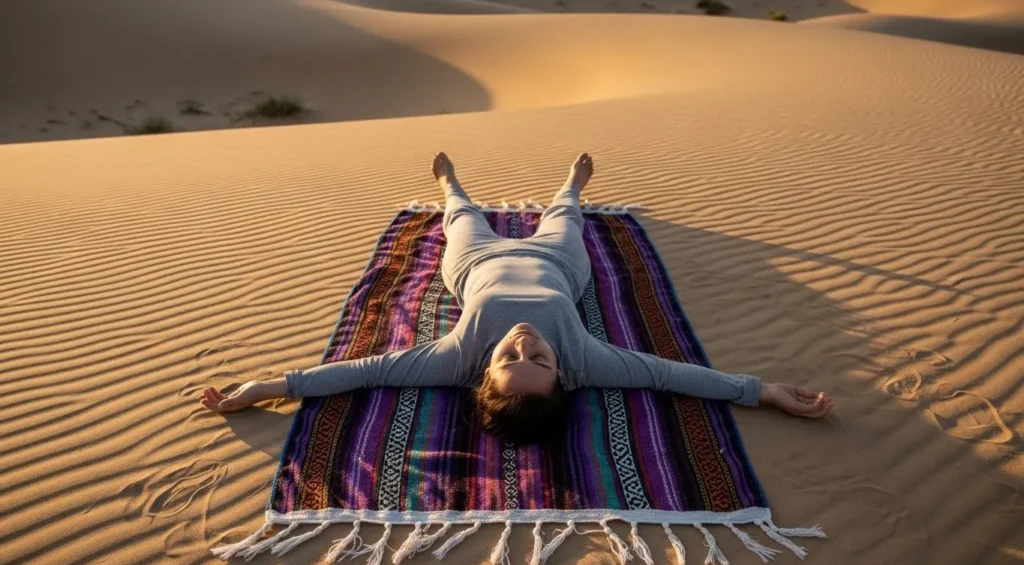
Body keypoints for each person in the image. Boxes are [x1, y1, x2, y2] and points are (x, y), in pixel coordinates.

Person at [201, 152, 833, 443]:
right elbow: (670, 376)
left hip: (474, 263)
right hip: (559, 264)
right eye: (540, 359)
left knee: (460, 216)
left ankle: (450, 183)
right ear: (563, 375)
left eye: (511, 360)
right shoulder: (586, 361)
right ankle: (572, 186)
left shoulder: (455, 359)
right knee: (566, 216)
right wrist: (762, 391)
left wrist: (267, 386)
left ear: (484, 375)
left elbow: (363, 371)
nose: (525, 344)